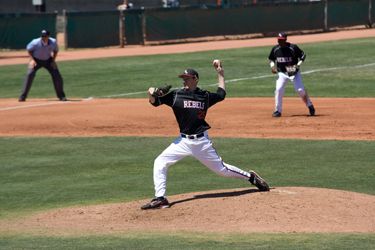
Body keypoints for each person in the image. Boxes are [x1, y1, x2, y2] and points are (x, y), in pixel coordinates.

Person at [141, 60, 270, 210]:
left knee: (222, 170)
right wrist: (150, 93)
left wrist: (220, 73)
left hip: (201, 142)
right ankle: (160, 198)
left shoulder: (205, 96)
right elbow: (154, 102)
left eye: (187, 78)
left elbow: (221, 94)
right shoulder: (176, 95)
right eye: (183, 78)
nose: (184, 80)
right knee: (160, 162)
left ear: (195, 79)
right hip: (182, 142)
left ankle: (251, 178)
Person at [268, 32, 315, 117]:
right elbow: (271, 59)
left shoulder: (293, 47)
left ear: (285, 40)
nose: (279, 42)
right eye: (278, 40)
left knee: (300, 90)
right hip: (282, 72)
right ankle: (277, 111)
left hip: (293, 72)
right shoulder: (275, 49)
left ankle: (310, 105)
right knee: (278, 90)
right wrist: (272, 67)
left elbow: (303, 56)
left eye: (281, 40)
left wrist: (298, 65)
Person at [19, 30, 67, 102]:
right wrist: (32, 60)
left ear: (48, 36)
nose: (43, 37)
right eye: (42, 36)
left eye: (45, 36)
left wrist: (53, 60)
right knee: (29, 74)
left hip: (48, 60)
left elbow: (56, 51)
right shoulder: (35, 42)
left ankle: (61, 96)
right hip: (36, 60)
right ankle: (22, 96)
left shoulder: (53, 42)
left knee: (57, 75)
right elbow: (29, 50)